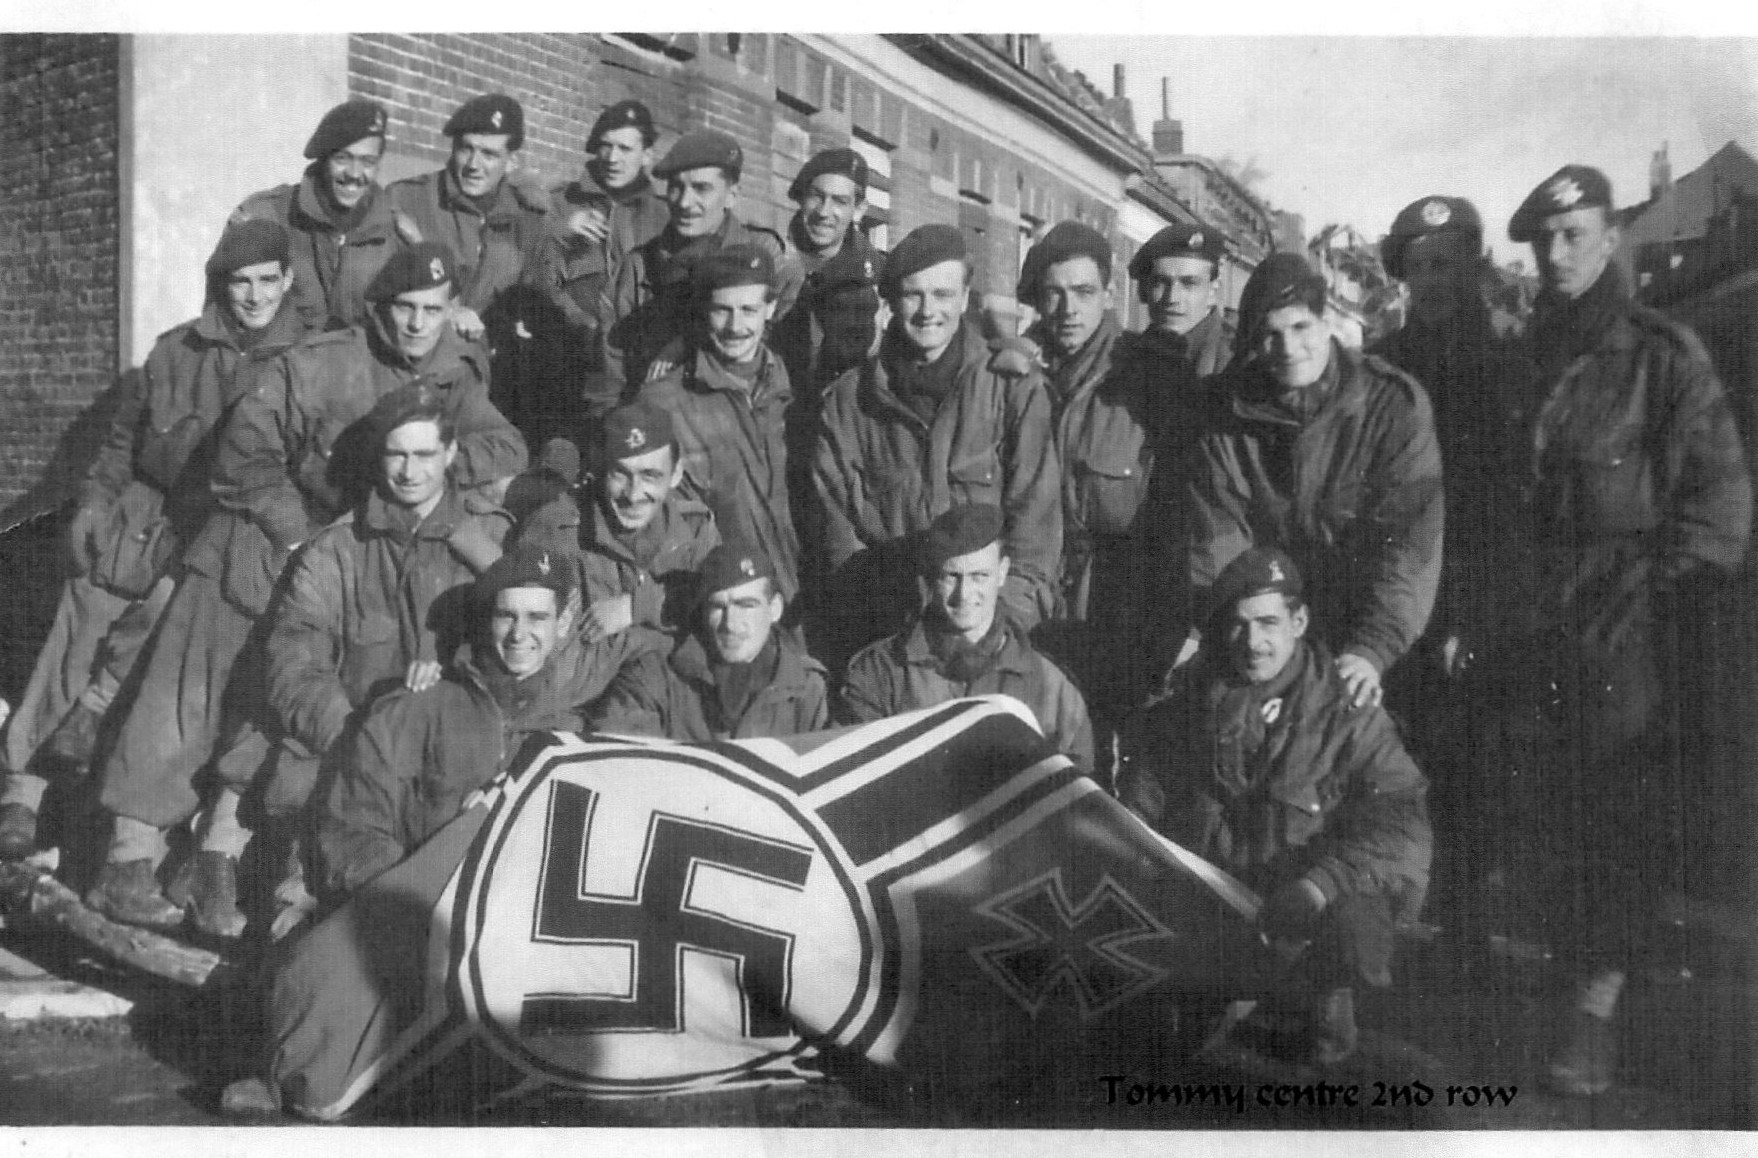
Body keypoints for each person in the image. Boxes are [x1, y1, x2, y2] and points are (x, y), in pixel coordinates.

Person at [85, 243, 526, 931]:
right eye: (404, 309)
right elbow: (240, 457)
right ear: (379, 309)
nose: (416, 325)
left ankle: (209, 862)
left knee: (277, 709)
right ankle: (126, 861)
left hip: (357, 553)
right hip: (261, 540)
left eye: (431, 311)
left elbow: (507, 446)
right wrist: (297, 533)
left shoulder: (451, 372)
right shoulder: (320, 363)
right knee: (189, 698)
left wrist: (442, 455)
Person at [1481, 166, 1752, 1096]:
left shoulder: (1661, 355)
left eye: (1573, 234)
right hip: (1536, 622)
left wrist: (1647, 594)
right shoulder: (1524, 356)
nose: (1554, 255)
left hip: (1625, 631)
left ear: (1609, 239)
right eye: (1541, 240)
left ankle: (1595, 1012)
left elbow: (1721, 506)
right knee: (1548, 816)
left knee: (1619, 823)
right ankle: (1563, 981)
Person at [0, 221, 311, 861]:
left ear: (287, 280)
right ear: (220, 284)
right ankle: (21, 797)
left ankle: (130, 830)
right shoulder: (177, 350)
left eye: (265, 281)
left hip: (224, 529)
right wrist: (93, 503)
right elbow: (121, 444)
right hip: (148, 516)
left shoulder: (308, 360)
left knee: (169, 653)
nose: (252, 297)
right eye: (238, 282)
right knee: (84, 619)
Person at [1117, 547, 1432, 1067]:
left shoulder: (1349, 712)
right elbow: (1144, 797)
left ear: (1299, 621)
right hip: (1216, 898)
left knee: (1353, 936)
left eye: (1268, 623)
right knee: (1171, 1056)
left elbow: (1399, 825)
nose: (1253, 643)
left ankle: (1323, 990)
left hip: (1305, 902)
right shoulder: (1190, 700)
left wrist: (1318, 886)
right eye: (1238, 626)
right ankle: (1221, 986)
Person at [1175, 252, 1444, 712]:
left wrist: (1370, 651)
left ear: (1326, 323)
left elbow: (1410, 546)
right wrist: (1244, 637)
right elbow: (1220, 539)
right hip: (1267, 623)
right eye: (1270, 335)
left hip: (1370, 625)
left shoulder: (1390, 406)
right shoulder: (1227, 414)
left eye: (1300, 328)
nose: (1288, 348)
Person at [814, 225, 1063, 666]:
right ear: (890, 302)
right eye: (913, 295)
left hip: (994, 646)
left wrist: (997, 638)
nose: (929, 311)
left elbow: (1035, 539)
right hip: (891, 647)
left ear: (965, 298)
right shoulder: (849, 404)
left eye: (944, 295)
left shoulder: (1013, 391)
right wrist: (887, 654)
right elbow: (842, 546)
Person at [313, 544, 589, 904]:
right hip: (410, 913)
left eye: (537, 617)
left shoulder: (570, 737)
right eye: (506, 616)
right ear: (488, 618)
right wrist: (421, 899)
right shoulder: (419, 707)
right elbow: (352, 829)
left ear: (562, 623)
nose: (519, 634)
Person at [1016, 222, 1180, 723]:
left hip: (1120, 615)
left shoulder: (1149, 377)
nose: (1069, 310)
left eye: (1084, 293)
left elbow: (1175, 522)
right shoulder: (1014, 374)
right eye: (1055, 294)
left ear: (1109, 294)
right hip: (1030, 611)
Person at [839, 504, 1092, 772]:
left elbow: (1077, 791)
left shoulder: (1049, 686)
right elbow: (852, 775)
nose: (964, 594)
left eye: (979, 576)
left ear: (1003, 572)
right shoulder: (881, 673)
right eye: (952, 577)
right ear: (931, 578)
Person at [637, 245, 801, 603]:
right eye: (722, 311)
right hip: (722, 600)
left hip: (799, 599)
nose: (735, 327)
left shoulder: (794, 389)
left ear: (770, 309)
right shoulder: (664, 404)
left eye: (748, 310)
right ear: (703, 312)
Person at [606, 128, 802, 389]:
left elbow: (776, 358)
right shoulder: (640, 266)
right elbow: (609, 368)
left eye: (701, 188)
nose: (685, 202)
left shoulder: (769, 259)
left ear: (731, 195)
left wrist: (691, 342)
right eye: (676, 188)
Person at [514, 401, 719, 644]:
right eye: (620, 474)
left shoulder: (695, 528)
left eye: (650, 476)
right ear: (599, 468)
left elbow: (725, 607)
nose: (633, 495)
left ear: (676, 474)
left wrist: (636, 607)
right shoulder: (557, 529)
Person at [591, 544, 828, 741]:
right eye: (718, 607)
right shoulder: (657, 678)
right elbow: (621, 762)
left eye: (747, 606)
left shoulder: (806, 688)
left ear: (775, 609)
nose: (731, 624)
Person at [533, 99, 670, 435]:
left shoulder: (664, 216)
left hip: (633, 364)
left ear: (647, 155)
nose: (612, 158)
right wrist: (560, 227)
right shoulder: (560, 203)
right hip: (563, 356)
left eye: (625, 148)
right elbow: (525, 261)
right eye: (605, 146)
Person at [387, 94, 549, 356]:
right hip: (415, 359)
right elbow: (382, 292)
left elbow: (531, 299)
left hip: (486, 368)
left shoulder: (527, 221)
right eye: (466, 148)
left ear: (512, 160)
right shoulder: (408, 201)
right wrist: (449, 311)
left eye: (489, 154)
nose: (474, 165)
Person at [230, 99, 406, 331]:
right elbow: (225, 325)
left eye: (368, 162)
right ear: (323, 159)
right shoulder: (265, 216)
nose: (354, 174)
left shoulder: (394, 231)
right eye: (342, 158)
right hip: (282, 365)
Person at [772, 147, 885, 392]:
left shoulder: (874, 276)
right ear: (802, 198)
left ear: (858, 210)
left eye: (840, 201)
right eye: (816, 196)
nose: (824, 212)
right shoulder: (772, 256)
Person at [1128, 221, 1233, 378]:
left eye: (1189, 283)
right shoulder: (1126, 360)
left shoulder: (1235, 362)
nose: (1172, 298)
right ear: (1145, 290)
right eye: (1160, 283)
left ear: (1212, 289)